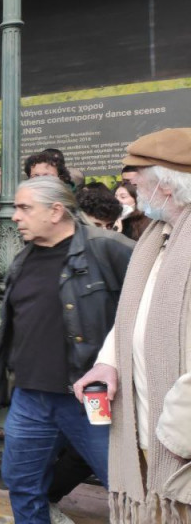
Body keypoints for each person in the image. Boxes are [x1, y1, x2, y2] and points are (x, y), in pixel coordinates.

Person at [0, 176, 133, 523]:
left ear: (55, 211)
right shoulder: (22, 258)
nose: (14, 216)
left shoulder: (107, 248)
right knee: (22, 484)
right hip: (30, 398)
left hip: (89, 397)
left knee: (125, 489)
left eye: (23, 208)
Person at [75, 128, 191, 522]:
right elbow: (135, 316)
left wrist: (174, 433)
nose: (131, 187)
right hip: (148, 433)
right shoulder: (157, 237)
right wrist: (110, 360)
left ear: (167, 185)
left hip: (178, 442)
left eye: (134, 179)